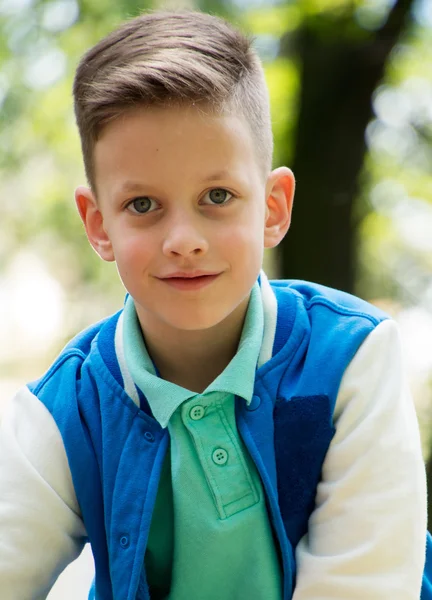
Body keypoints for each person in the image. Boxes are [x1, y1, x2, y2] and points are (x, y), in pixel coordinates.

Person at [0, 10, 430, 600]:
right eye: (144, 205)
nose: (184, 238)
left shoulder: (352, 358)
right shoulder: (67, 409)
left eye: (217, 196)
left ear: (274, 206)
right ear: (98, 225)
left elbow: (365, 584)